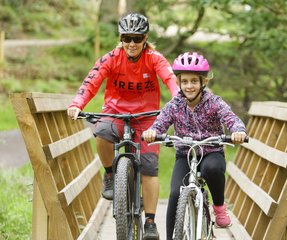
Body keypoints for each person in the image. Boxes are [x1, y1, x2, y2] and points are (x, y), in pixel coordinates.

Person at [67, 12, 179, 239]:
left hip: (147, 116)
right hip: (116, 112)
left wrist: (178, 103)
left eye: (137, 39)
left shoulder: (155, 58)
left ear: (145, 38)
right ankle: (110, 174)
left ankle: (149, 222)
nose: (131, 43)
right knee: (102, 132)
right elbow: (91, 81)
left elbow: (171, 80)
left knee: (149, 168)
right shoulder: (111, 58)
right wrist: (77, 103)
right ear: (121, 38)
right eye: (127, 38)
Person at [142, 52, 247, 239]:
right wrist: (152, 132)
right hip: (185, 154)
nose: (189, 86)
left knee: (213, 169)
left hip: (211, 151)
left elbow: (232, 119)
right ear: (179, 83)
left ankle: (219, 209)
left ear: (203, 82)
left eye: (194, 81)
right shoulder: (174, 105)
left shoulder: (214, 102)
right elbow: (160, 123)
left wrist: (238, 131)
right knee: (175, 194)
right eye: (184, 81)